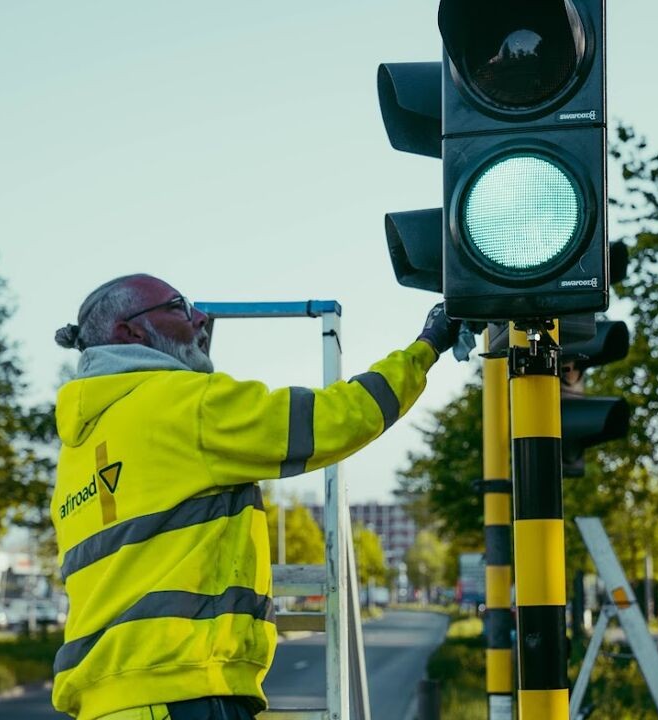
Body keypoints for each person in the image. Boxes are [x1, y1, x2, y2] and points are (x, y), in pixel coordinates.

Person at [48, 274, 460, 720]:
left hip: (106, 706)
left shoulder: (77, 453)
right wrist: (427, 346)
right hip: (184, 693)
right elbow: (337, 419)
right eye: (179, 307)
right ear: (128, 332)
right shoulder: (186, 404)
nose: (201, 317)